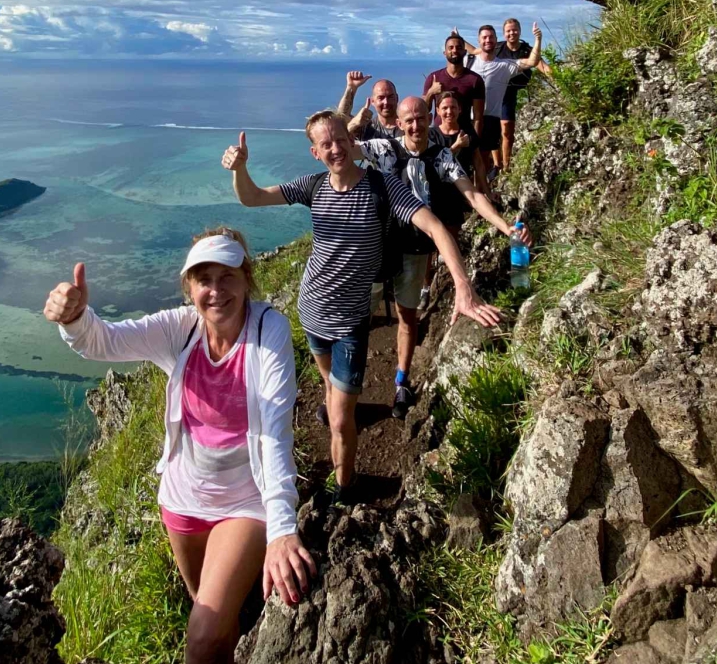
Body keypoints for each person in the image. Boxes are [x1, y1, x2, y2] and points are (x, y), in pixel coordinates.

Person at [42, 228, 315, 664]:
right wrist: (76, 318)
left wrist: (281, 529)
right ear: (189, 288)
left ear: (246, 278)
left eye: (227, 276)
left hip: (244, 504)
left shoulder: (267, 331)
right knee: (209, 620)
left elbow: (275, 431)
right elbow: (105, 341)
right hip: (182, 502)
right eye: (204, 279)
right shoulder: (181, 329)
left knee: (203, 637)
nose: (216, 290)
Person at [221, 112, 500, 496]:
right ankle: (344, 409)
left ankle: (345, 487)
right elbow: (253, 197)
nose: (336, 149)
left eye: (341, 140)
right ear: (315, 152)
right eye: (326, 144)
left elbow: (436, 228)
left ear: (351, 141)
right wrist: (240, 170)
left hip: (351, 322)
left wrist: (463, 287)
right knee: (330, 386)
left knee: (338, 421)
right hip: (311, 312)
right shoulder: (313, 186)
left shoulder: (382, 187)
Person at [359, 96, 532, 417]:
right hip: (379, 247)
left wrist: (505, 226)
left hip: (415, 249)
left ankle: (401, 381)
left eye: (420, 118)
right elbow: (340, 149)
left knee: (407, 316)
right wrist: (351, 107)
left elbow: (472, 195)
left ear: (430, 119)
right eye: (409, 120)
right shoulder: (384, 149)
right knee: (359, 319)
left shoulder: (441, 156)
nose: (415, 125)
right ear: (399, 123)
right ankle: (346, 386)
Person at [457, 24, 543, 176]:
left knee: (483, 160)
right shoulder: (468, 61)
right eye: (484, 37)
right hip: (468, 118)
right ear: (479, 40)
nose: (487, 40)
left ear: (496, 40)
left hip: (490, 119)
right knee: (464, 160)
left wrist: (538, 39)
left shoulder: (505, 66)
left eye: (491, 37)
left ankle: (483, 187)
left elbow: (532, 62)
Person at [423, 31, 488, 187]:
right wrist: (431, 92)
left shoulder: (474, 80)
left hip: (463, 133)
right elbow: (424, 110)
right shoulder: (434, 78)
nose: (454, 50)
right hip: (438, 135)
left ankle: (479, 195)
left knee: (463, 175)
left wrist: (474, 140)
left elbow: (478, 116)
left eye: (458, 47)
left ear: (465, 51)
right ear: (444, 52)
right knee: (436, 174)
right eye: (450, 48)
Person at [495, 18, 553, 171]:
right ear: (504, 33)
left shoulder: (527, 50)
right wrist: (459, 40)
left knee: (507, 131)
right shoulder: (498, 48)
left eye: (514, 30)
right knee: (497, 129)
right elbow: (477, 52)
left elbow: (543, 67)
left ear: (520, 31)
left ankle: (506, 166)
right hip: (501, 92)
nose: (512, 33)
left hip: (520, 92)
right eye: (508, 31)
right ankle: (498, 165)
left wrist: (561, 81)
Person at [336, 71, 399, 142]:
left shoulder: (406, 126)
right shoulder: (366, 129)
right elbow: (340, 119)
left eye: (390, 97)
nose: (386, 102)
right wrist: (351, 87)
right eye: (381, 98)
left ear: (397, 98)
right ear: (372, 101)